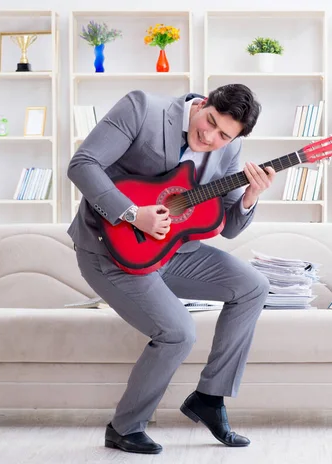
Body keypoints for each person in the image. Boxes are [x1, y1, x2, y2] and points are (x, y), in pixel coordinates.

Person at [67, 84, 275, 455]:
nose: (210, 136)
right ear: (203, 103)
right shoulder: (142, 108)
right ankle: (124, 427)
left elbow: (228, 227)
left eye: (224, 135)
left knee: (253, 286)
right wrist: (133, 214)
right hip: (110, 250)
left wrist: (249, 197)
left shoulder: (230, 148)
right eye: (209, 121)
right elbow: (82, 165)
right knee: (179, 332)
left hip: (175, 251)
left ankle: (209, 398)